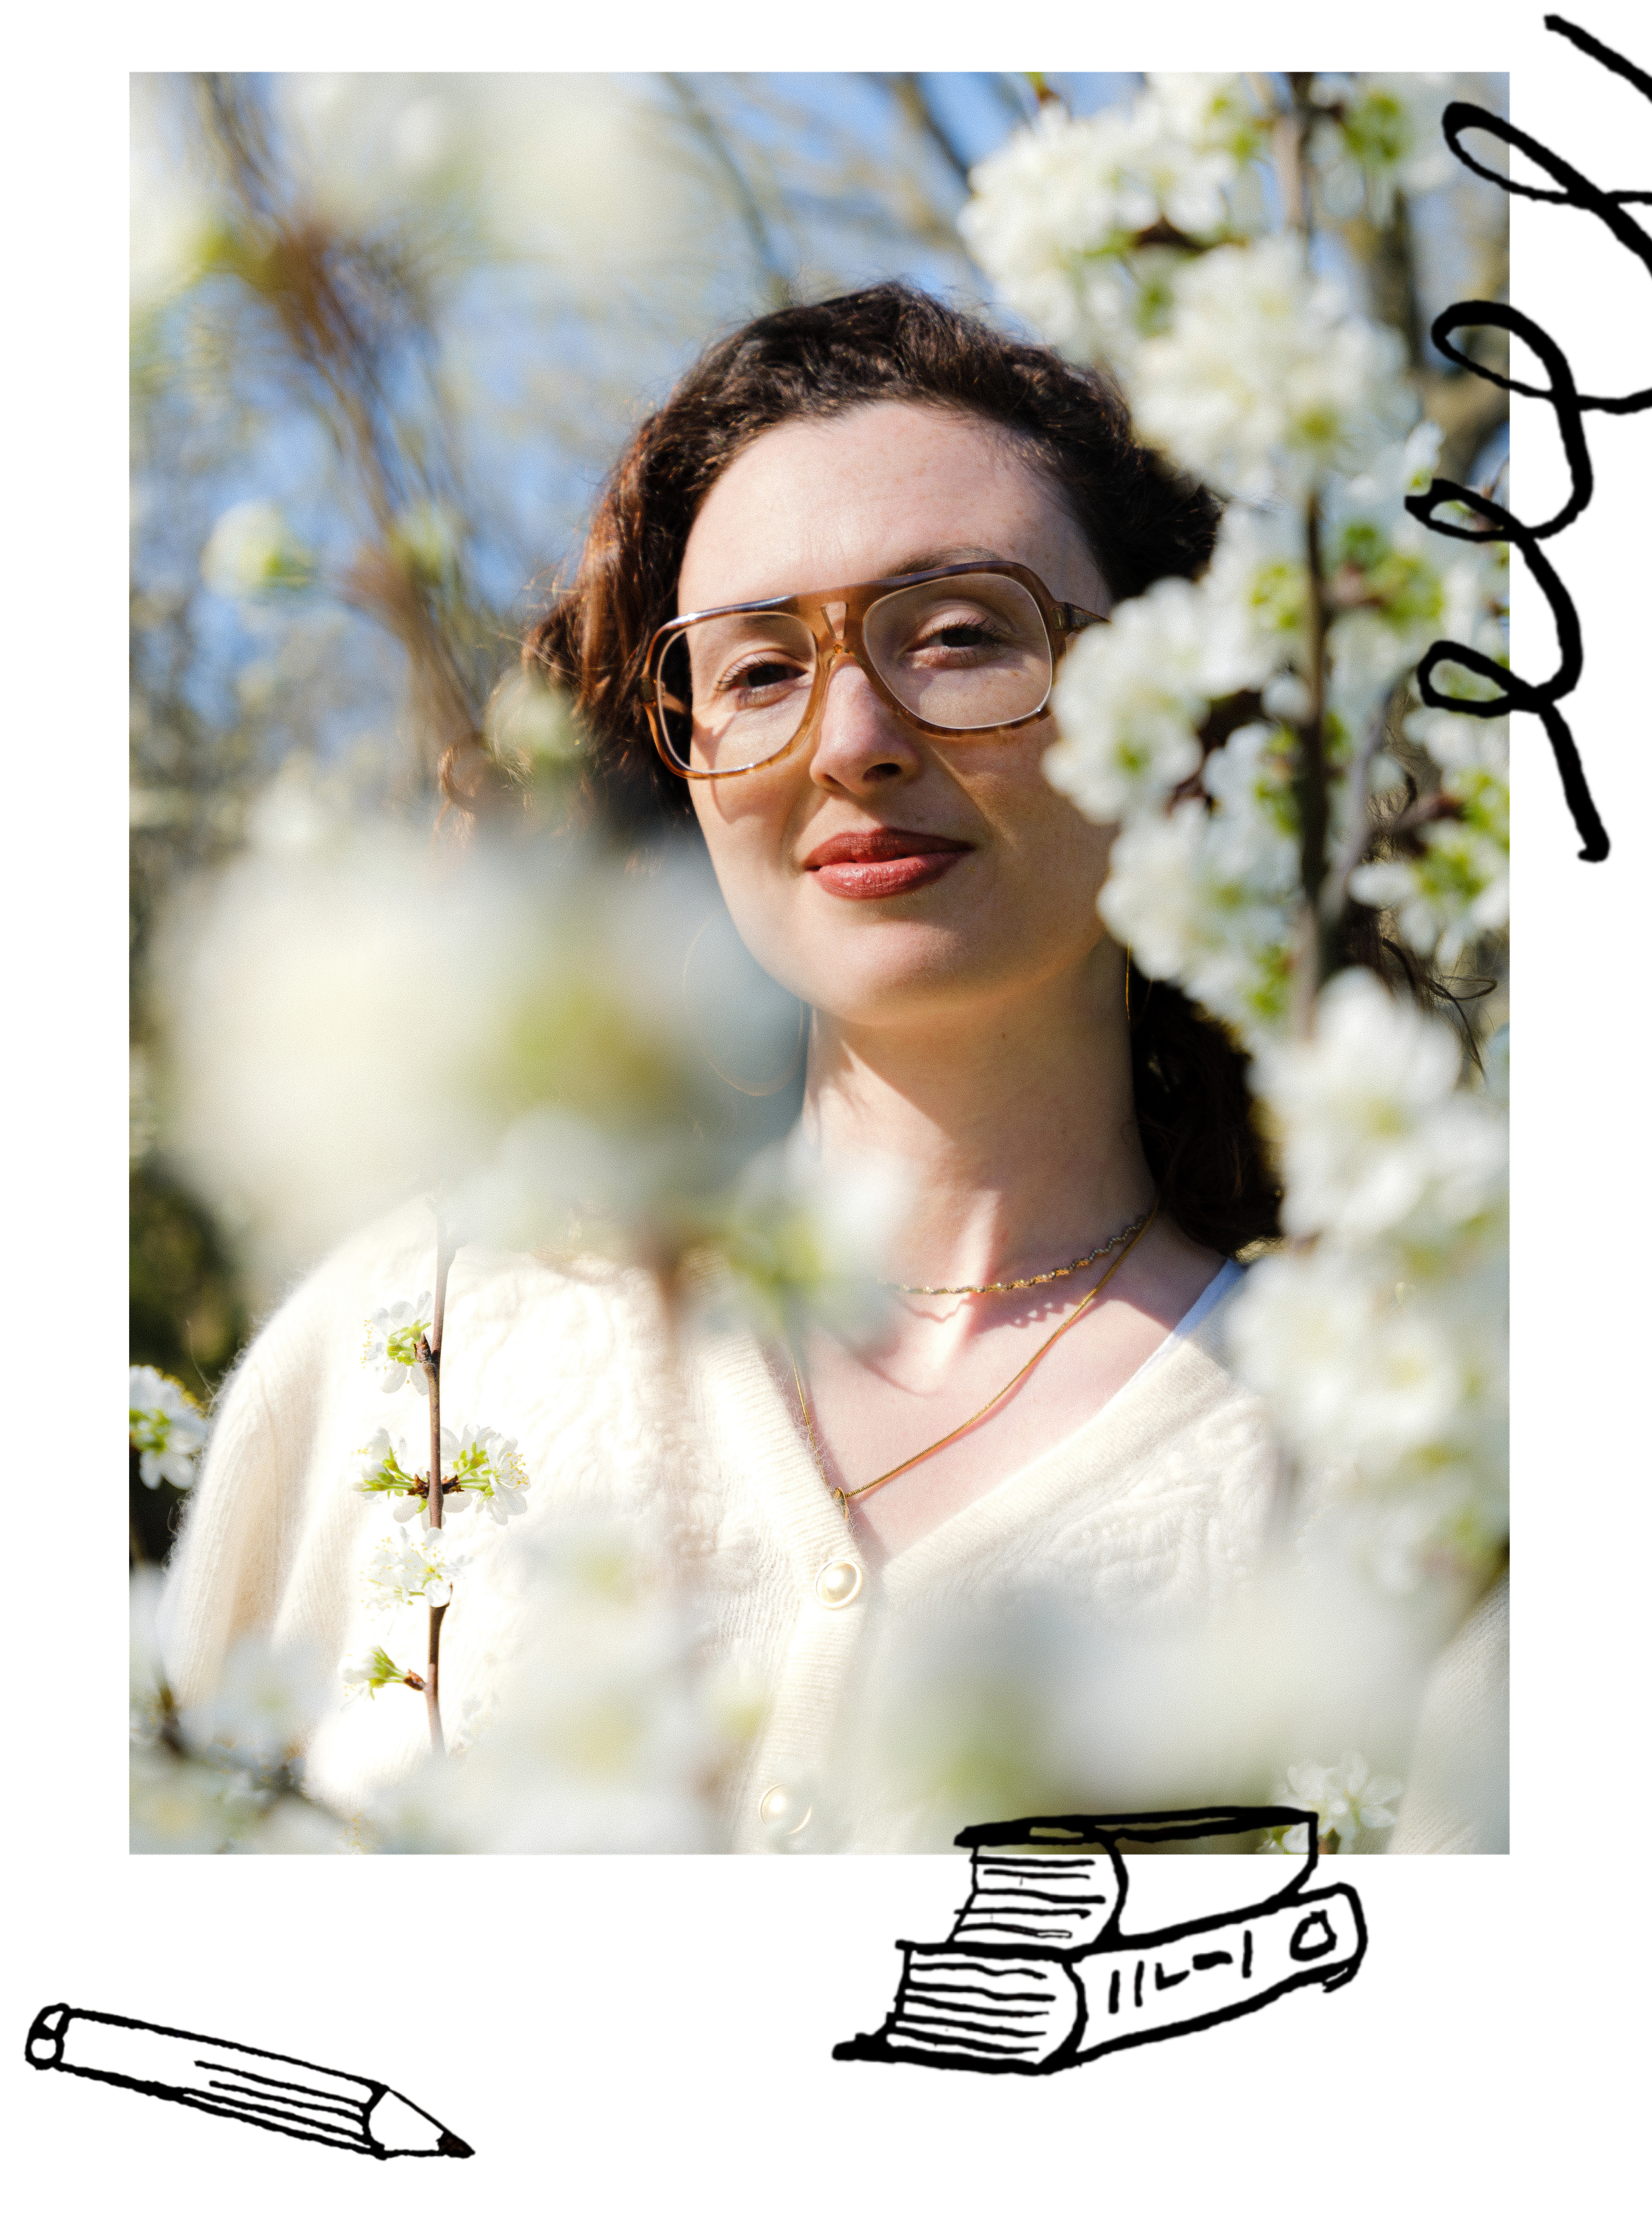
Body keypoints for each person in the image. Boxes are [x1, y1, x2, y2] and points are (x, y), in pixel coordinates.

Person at [159, 283, 1508, 1855]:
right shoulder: (421, 1342)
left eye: (958, 634)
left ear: (1177, 717)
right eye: (751, 669)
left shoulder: (1382, 1454)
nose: (848, 735)